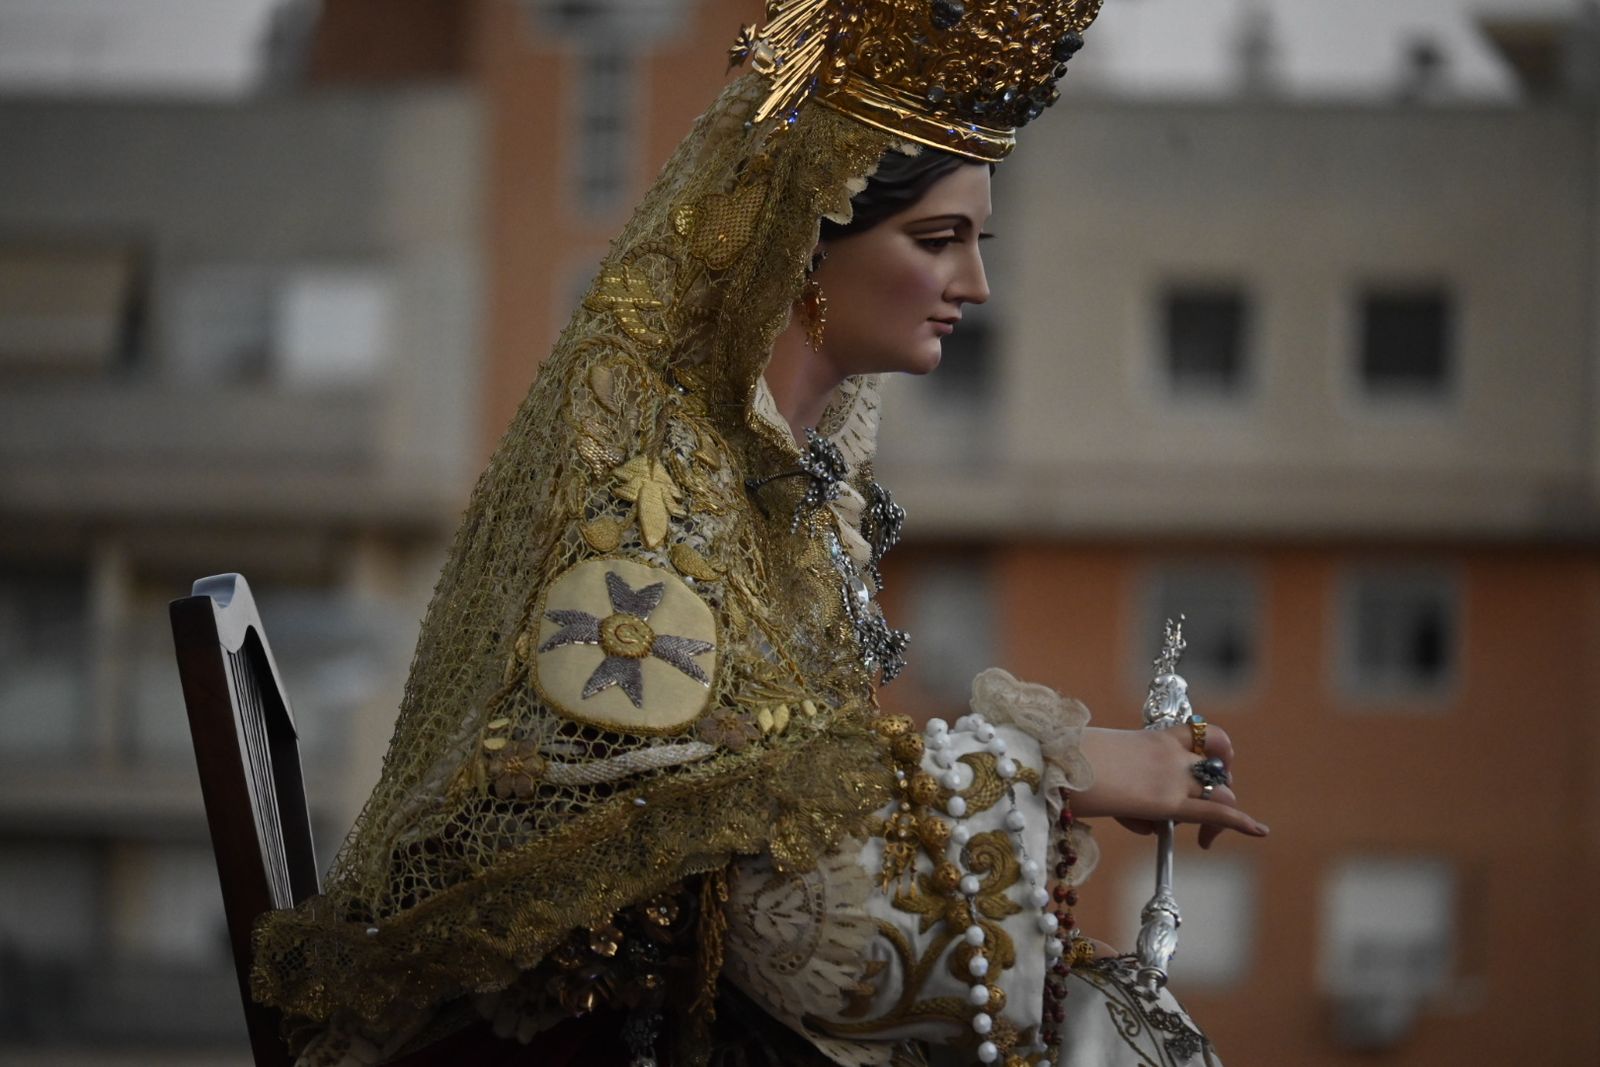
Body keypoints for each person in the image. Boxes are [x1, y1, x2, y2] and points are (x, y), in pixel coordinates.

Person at [254, 3, 1267, 1065]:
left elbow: (789, 782)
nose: (972, 284)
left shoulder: (791, 483)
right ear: (805, 245)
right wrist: (1061, 764)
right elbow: (717, 824)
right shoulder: (653, 490)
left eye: (979, 242)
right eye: (936, 240)